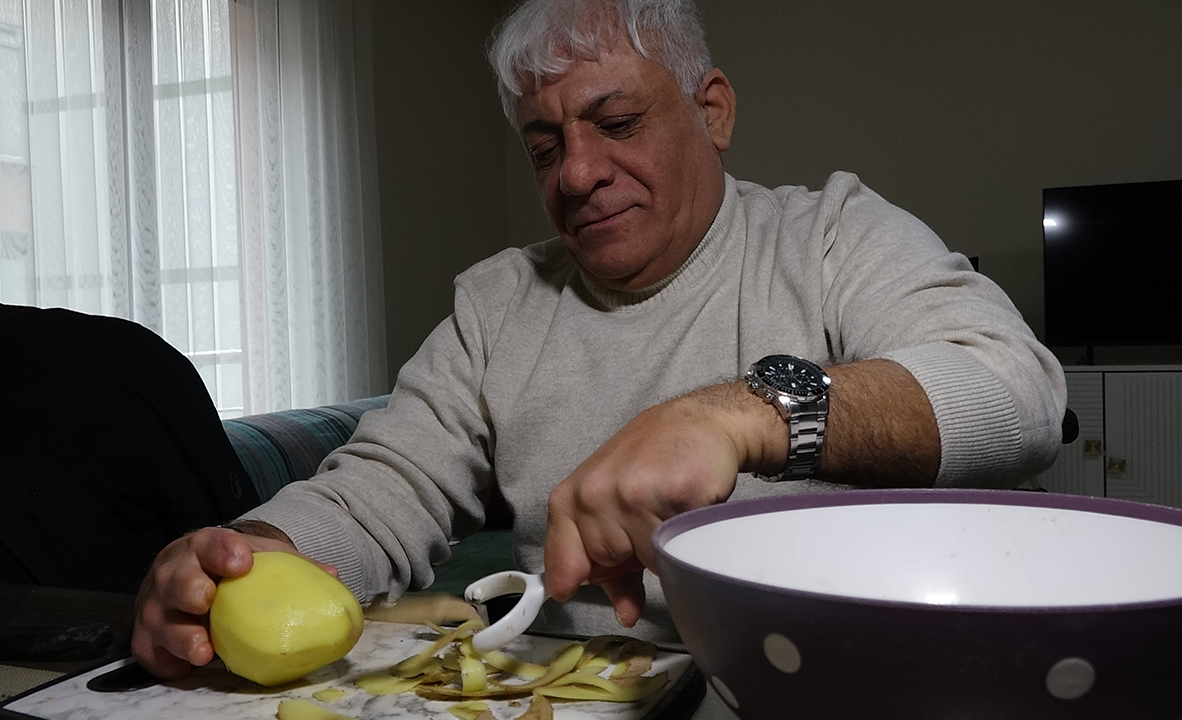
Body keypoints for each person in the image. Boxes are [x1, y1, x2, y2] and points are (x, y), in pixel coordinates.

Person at [132, 0, 1066, 692]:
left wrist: (739, 414)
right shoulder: (498, 303)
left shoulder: (832, 235)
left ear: (713, 111)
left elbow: (1015, 387)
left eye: (617, 124)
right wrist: (243, 556)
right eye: (545, 147)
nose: (577, 173)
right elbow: (384, 488)